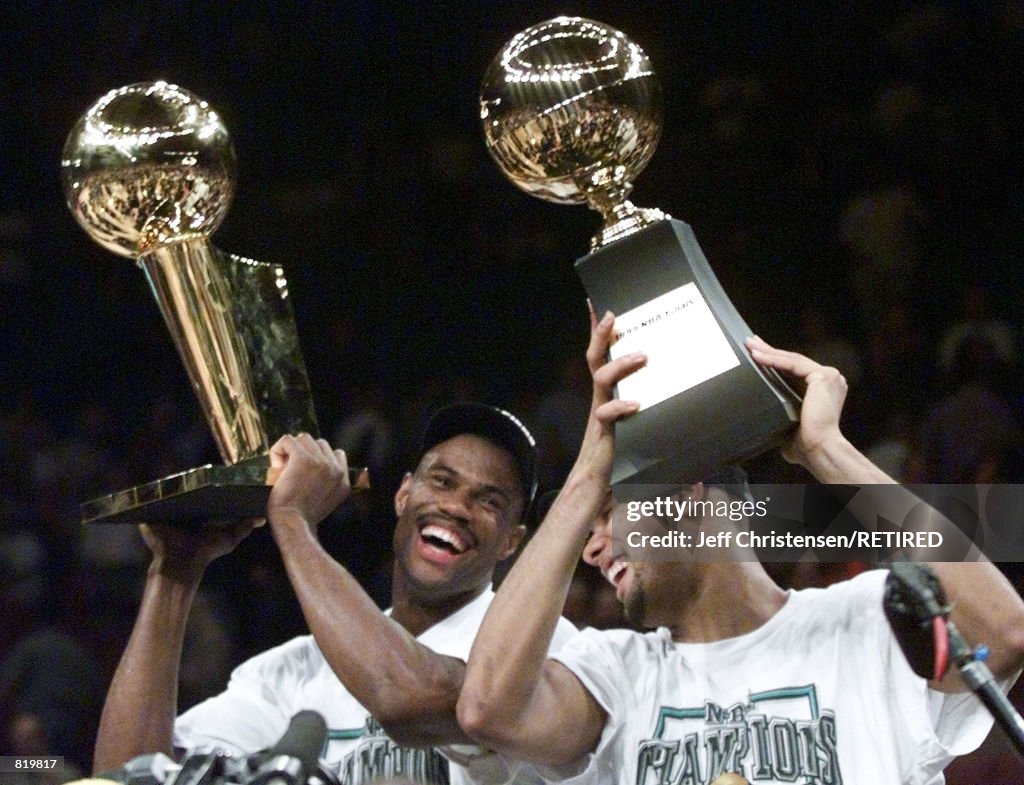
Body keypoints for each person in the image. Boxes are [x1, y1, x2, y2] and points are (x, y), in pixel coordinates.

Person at [457, 310, 1024, 785]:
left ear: (680, 493)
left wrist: (826, 449)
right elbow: (485, 710)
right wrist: (588, 473)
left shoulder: (866, 623)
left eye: (606, 513)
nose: (591, 548)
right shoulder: (616, 673)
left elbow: (1005, 632)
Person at [93, 402, 577, 785]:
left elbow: (407, 696)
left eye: (488, 500)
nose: (455, 506)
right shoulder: (297, 669)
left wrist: (294, 521)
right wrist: (173, 576)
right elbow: (126, 778)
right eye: (442, 481)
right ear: (403, 494)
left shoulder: (544, 648)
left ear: (512, 542)